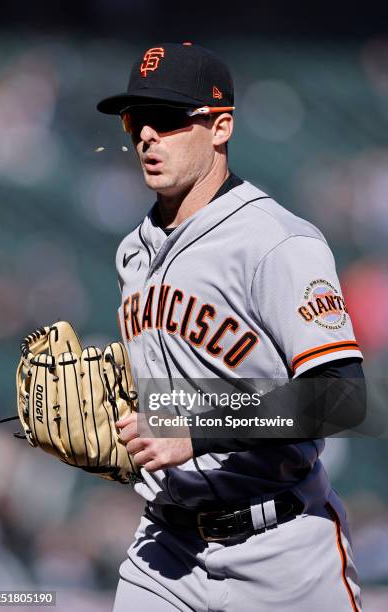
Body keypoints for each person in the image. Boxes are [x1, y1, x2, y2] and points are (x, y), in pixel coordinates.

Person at [97, 42, 364, 611]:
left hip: (282, 548)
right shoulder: (131, 254)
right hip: (164, 550)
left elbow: (341, 398)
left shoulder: (276, 242)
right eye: (134, 119)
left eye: (167, 119)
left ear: (220, 127)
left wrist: (191, 430)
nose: (146, 135)